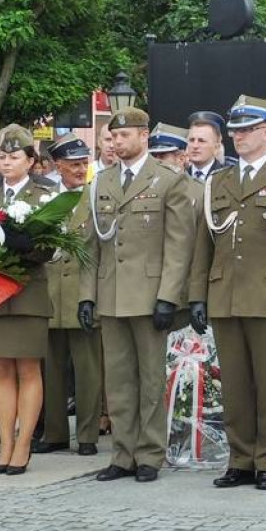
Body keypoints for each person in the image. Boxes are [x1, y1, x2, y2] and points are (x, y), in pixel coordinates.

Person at [189, 95, 266, 491]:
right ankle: (239, 459)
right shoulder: (218, 182)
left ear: (265, 133)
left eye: (247, 130)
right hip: (226, 295)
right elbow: (203, 244)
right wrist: (197, 294)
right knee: (236, 385)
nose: (239, 137)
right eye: (235, 131)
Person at [78, 106, 195, 484]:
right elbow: (90, 244)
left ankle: (150, 453)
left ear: (144, 136)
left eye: (124, 136)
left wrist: (168, 296)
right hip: (112, 294)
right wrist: (86, 296)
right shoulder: (101, 182)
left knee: (149, 379)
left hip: (149, 294)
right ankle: (122, 453)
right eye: (113, 137)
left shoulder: (167, 180)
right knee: (119, 381)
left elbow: (178, 246)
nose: (117, 143)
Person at [0, 125, 57, 475]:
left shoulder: (45, 195)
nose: (7, 163)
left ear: (31, 160)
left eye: (15, 156)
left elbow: (52, 249)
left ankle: (23, 444)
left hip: (28, 291)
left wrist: (29, 245)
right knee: (0, 369)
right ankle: (4, 444)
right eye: (3, 157)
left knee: (28, 368)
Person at [39, 133, 103, 456]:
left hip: (83, 293)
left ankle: (88, 435)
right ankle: (55, 433)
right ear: (57, 166)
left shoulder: (96, 197)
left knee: (88, 370)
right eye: (73, 164)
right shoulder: (46, 199)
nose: (80, 170)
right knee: (51, 368)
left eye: (84, 163)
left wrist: (92, 297)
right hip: (51, 295)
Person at [186, 111, 227, 181]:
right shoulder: (180, 177)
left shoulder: (226, 178)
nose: (195, 146)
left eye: (201, 141)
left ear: (216, 148)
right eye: (192, 140)